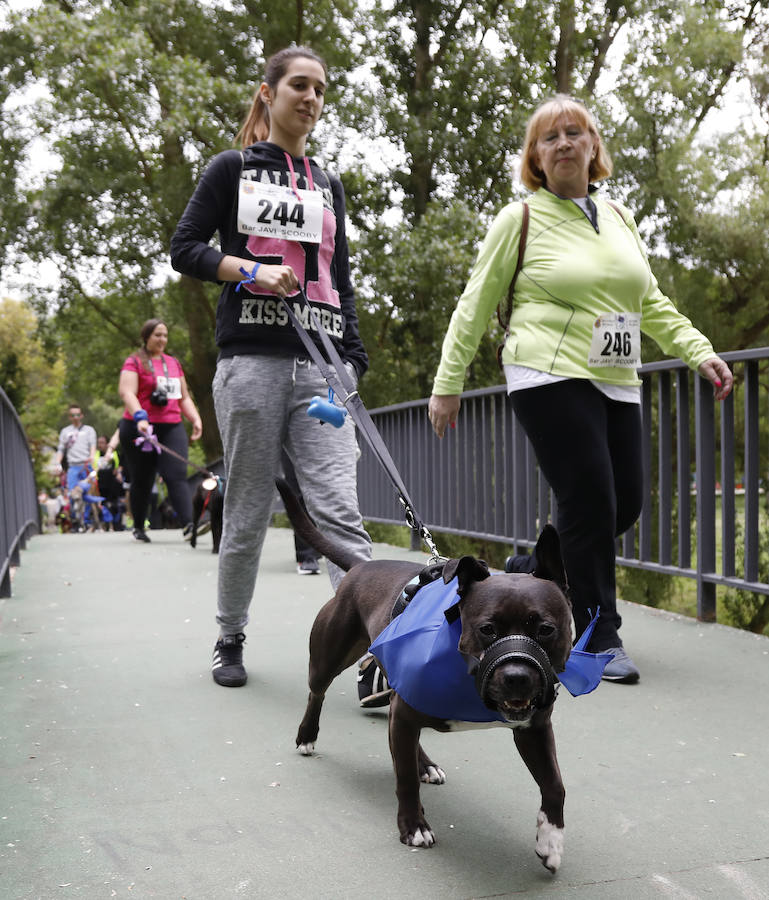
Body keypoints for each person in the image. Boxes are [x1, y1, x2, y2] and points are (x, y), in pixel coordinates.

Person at [428, 94, 733, 685]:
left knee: (623, 504)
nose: (564, 143)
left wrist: (700, 350)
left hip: (616, 377)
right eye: (550, 137)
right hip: (546, 370)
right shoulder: (519, 220)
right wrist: (449, 382)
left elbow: (649, 303)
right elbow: (475, 304)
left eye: (575, 132)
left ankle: (532, 566)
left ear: (594, 147)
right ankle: (597, 634)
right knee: (590, 498)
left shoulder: (619, 218)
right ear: (536, 158)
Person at [170, 45, 372, 689]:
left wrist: (354, 364)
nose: (310, 98)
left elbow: (340, 282)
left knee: (340, 509)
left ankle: (380, 653)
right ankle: (230, 637)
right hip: (251, 364)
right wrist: (252, 271)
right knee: (249, 508)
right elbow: (185, 249)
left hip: (321, 369)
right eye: (298, 86)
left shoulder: (328, 183)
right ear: (268, 93)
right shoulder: (232, 168)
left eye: (319, 88)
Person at [117, 318, 203, 544]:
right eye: (157, 335)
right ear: (146, 337)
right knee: (143, 479)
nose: (162, 339)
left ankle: (189, 524)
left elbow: (184, 397)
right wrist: (140, 417)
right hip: (140, 428)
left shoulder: (173, 363)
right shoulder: (134, 361)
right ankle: (138, 526)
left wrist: (195, 418)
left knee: (176, 474)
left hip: (171, 425)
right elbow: (127, 393)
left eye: (165, 335)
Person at [281, 449, 321, 575]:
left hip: (323, 433)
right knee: (297, 492)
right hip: (281, 431)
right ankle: (307, 554)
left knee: (324, 494)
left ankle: (317, 548)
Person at [55, 404, 97, 492]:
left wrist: (92, 457)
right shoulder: (65, 431)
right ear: (69, 417)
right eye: (73, 415)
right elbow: (61, 449)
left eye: (78, 415)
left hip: (86, 466)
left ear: (82, 415)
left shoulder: (89, 430)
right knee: (73, 495)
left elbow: (93, 445)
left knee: (89, 494)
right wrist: (57, 464)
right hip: (73, 467)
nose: (76, 417)